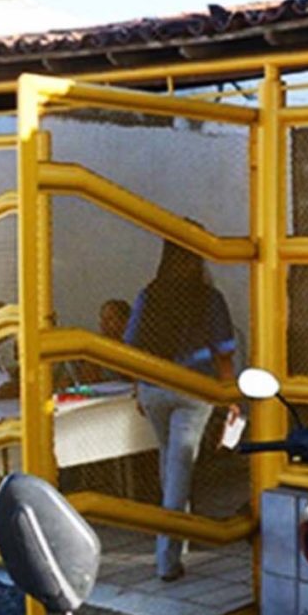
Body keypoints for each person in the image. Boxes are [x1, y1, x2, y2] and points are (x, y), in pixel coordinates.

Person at [125, 242, 241, 581]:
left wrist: (138, 387)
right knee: (179, 468)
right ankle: (167, 558)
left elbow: (131, 345)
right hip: (194, 389)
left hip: (153, 389)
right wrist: (230, 396)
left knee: (169, 461)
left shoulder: (149, 295)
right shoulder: (209, 298)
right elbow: (223, 352)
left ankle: (178, 540)